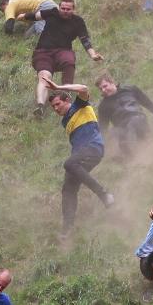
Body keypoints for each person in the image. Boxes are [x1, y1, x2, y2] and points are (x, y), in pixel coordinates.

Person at [43, 78, 114, 239]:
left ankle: (104, 194)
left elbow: (83, 87)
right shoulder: (65, 121)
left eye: (57, 104)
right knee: (68, 188)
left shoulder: (79, 105)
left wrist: (59, 86)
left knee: (69, 163)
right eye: (53, 106)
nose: (55, 108)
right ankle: (67, 229)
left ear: (67, 100)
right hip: (80, 155)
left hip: (93, 148)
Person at [23, 0, 103, 116]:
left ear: (73, 9)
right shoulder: (52, 13)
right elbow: (35, 16)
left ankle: (66, 94)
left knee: (69, 61)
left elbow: (85, 40)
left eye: (68, 9)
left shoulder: (78, 21)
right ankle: (40, 106)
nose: (65, 11)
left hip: (63, 51)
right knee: (44, 76)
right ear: (59, 7)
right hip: (43, 51)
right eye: (63, 8)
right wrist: (22, 16)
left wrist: (93, 55)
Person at [95, 73, 153, 154]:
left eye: (105, 86)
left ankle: (143, 149)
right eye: (101, 89)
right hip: (122, 130)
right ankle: (133, 156)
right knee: (115, 132)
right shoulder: (104, 106)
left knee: (134, 122)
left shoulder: (130, 90)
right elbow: (103, 128)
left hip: (139, 121)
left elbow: (149, 104)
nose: (103, 90)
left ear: (112, 82)